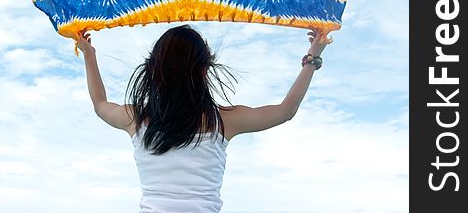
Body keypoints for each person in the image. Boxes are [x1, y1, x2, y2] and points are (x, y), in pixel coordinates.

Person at [76, 24, 330, 213]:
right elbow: (285, 111)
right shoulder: (222, 120)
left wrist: (89, 54)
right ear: (205, 69)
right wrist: (313, 58)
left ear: (154, 68)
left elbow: (100, 105)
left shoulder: (137, 118)